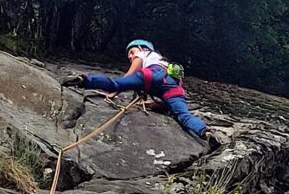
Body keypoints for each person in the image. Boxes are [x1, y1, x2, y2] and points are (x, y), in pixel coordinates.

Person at [61, 39, 222, 151]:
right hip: (173, 84)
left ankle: (84, 80)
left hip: (152, 75)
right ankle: (205, 132)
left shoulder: (144, 54)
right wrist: (150, 105)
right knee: (183, 116)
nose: (131, 56)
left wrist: (114, 91)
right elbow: (165, 105)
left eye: (132, 52)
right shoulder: (163, 60)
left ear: (142, 48)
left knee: (115, 83)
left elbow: (128, 76)